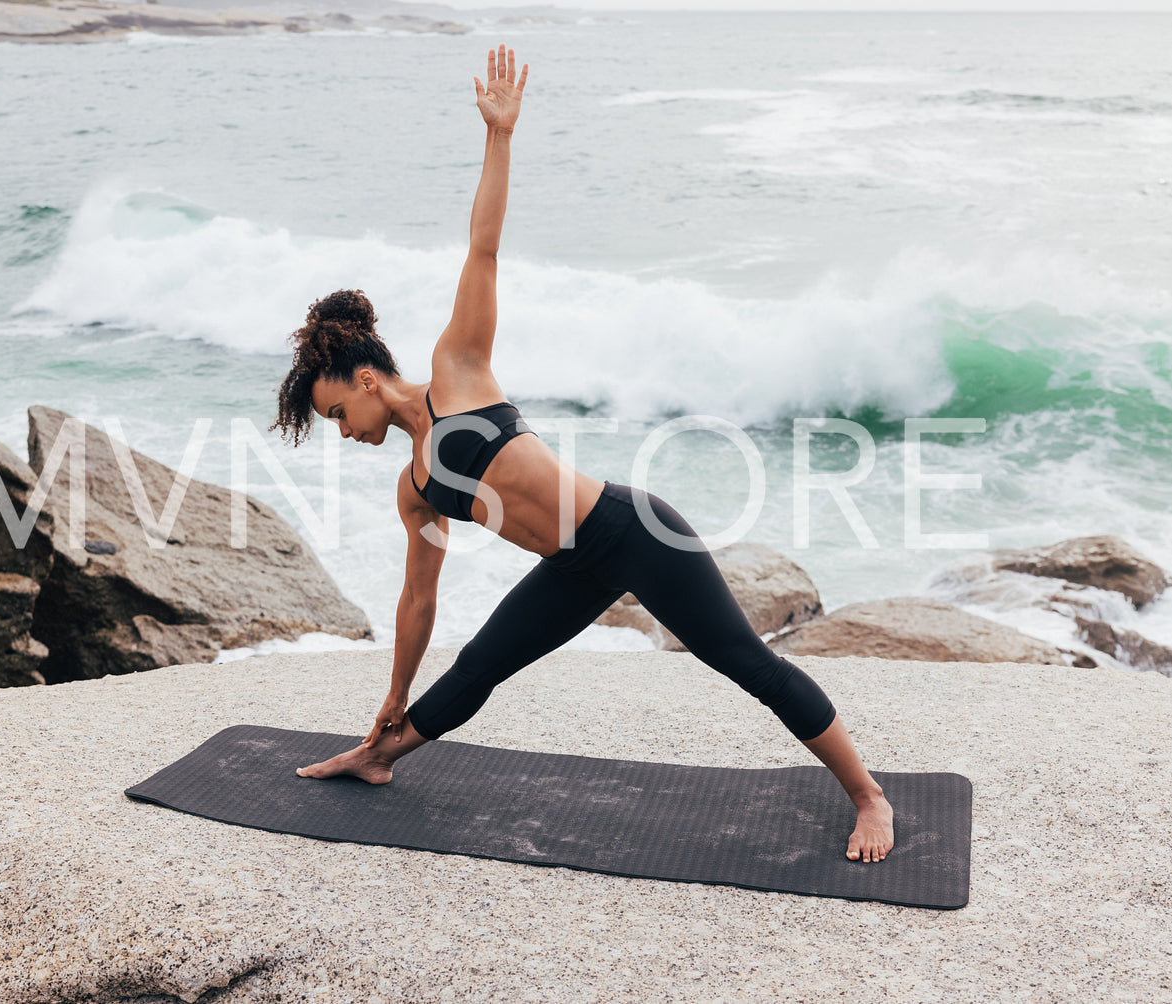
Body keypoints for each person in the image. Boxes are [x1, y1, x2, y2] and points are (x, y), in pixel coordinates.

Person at [268, 44, 894, 863]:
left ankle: (867, 795)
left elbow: (482, 249)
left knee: (744, 662)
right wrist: (392, 695)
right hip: (572, 569)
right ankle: (381, 754)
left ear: (363, 377)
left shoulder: (458, 369)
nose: (342, 431)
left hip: (631, 531)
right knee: (478, 668)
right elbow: (417, 600)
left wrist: (499, 137)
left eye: (336, 412)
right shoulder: (413, 490)